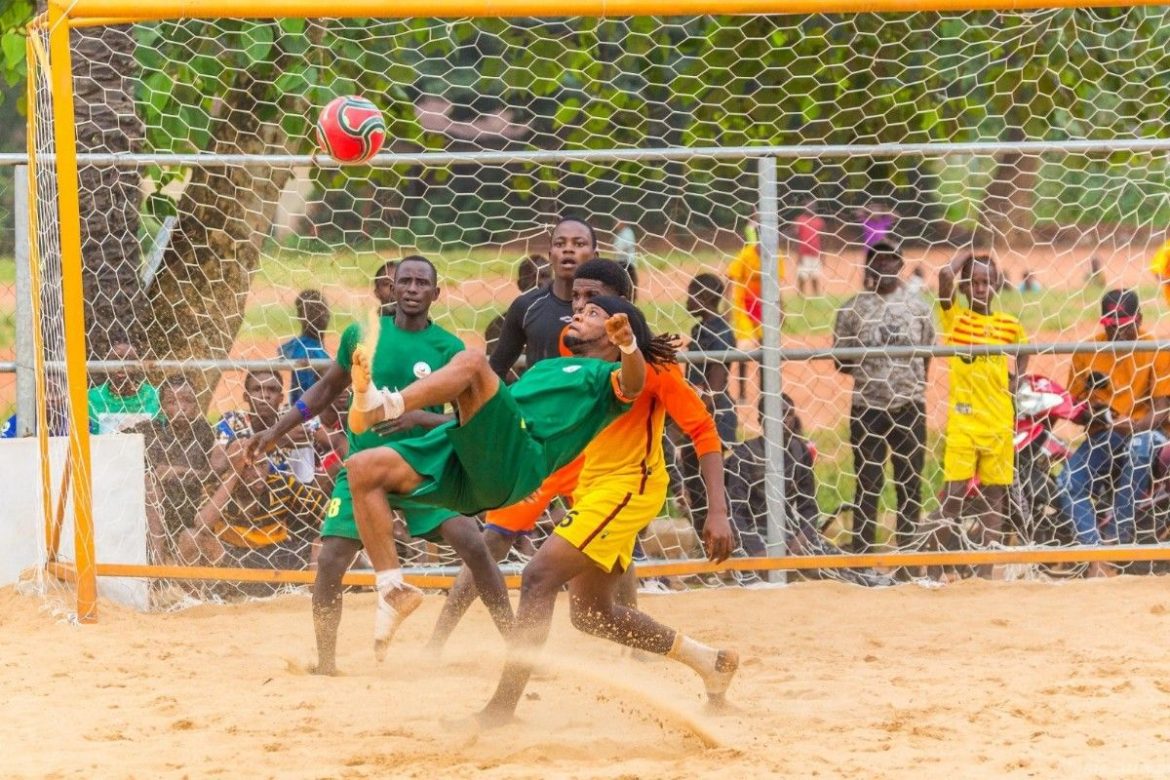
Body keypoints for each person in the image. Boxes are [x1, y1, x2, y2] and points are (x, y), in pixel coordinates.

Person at [426, 312, 737, 729]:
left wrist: (718, 511)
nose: (574, 309)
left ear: (615, 322)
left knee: (537, 576)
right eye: (575, 302)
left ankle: (500, 710)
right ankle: (709, 662)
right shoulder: (569, 363)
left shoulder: (652, 369)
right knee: (591, 613)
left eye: (590, 304)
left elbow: (702, 429)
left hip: (628, 487)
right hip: (583, 480)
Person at [247, 256, 513, 675]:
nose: (409, 288)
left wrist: (420, 418)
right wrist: (276, 431)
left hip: (422, 468)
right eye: (402, 280)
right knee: (332, 560)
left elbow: (470, 418)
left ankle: (517, 649)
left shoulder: (449, 350)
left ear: (435, 294)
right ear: (389, 288)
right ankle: (327, 664)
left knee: (474, 545)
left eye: (420, 282)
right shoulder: (362, 334)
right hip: (363, 471)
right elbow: (324, 390)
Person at [344, 296, 651, 660]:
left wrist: (629, 345)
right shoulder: (546, 368)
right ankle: (391, 590)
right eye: (580, 310)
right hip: (477, 457)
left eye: (592, 313)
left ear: (613, 333)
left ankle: (382, 405)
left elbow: (634, 383)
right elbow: (486, 412)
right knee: (362, 468)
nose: (580, 314)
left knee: (473, 360)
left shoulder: (606, 379)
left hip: (520, 457)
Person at [832, 242, 935, 558]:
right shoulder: (853, 309)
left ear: (901, 264)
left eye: (892, 261)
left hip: (909, 405)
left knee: (909, 484)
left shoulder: (918, 307)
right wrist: (874, 369)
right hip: (867, 408)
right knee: (868, 483)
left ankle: (907, 557)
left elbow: (928, 352)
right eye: (879, 261)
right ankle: (864, 555)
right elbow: (841, 360)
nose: (886, 266)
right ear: (869, 267)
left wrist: (909, 382)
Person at [934, 252, 1028, 577]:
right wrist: (968, 256)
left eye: (986, 281)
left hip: (998, 421)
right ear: (964, 286)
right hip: (963, 422)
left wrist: (1017, 383)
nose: (980, 287)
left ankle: (986, 571)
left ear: (995, 285)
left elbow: (1023, 354)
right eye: (973, 282)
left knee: (994, 497)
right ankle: (939, 568)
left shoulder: (1009, 326)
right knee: (954, 494)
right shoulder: (956, 318)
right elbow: (944, 275)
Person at [1057, 290, 1170, 558]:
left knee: (1140, 446)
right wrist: (1095, 414)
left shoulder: (1155, 349)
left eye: (1124, 325)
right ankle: (1094, 554)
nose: (1117, 334)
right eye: (1110, 326)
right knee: (1068, 481)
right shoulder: (1087, 352)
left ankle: (1117, 539)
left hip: (1147, 433)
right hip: (1105, 435)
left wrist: (1131, 426)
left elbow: (1162, 409)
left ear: (1139, 319)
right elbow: (1075, 406)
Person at [192, 438, 328, 573]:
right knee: (189, 537)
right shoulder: (216, 489)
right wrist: (234, 475)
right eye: (248, 467)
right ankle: (196, 594)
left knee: (323, 542)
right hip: (232, 559)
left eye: (262, 465)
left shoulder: (282, 485)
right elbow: (202, 525)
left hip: (278, 557)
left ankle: (314, 593)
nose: (258, 474)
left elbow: (326, 512)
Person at [489, 218, 597, 378]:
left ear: (595, 256)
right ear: (550, 255)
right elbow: (496, 371)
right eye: (560, 244)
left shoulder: (610, 308)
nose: (568, 249)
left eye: (579, 244)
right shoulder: (525, 306)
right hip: (540, 402)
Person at [676, 273, 738, 533]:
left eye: (691, 293)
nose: (687, 299)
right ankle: (706, 550)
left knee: (710, 488)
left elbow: (716, 383)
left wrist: (691, 416)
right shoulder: (699, 330)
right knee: (694, 486)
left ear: (703, 297)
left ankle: (721, 548)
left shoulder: (721, 333)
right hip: (697, 414)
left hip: (713, 418)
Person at [134, 375, 217, 565]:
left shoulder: (205, 431)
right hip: (154, 510)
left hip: (193, 506)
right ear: (162, 407)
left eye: (187, 400)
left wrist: (175, 471)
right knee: (150, 485)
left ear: (196, 404)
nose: (181, 407)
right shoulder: (147, 430)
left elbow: (212, 474)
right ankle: (157, 562)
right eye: (172, 402)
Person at [215, 369, 316, 484]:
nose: (265, 395)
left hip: (283, 494)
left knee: (304, 437)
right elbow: (216, 465)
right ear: (246, 397)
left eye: (272, 390)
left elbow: (312, 425)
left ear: (281, 398)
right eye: (257, 389)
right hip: (240, 492)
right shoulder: (232, 420)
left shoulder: (290, 419)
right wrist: (277, 441)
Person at [484, 253, 550, 360]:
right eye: (532, 277)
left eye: (544, 276)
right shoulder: (499, 326)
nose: (539, 282)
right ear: (520, 284)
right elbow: (496, 371)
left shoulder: (564, 318)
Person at [87, 339, 160, 434]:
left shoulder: (155, 396)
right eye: (115, 360)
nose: (122, 365)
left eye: (129, 360)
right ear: (105, 363)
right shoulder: (90, 398)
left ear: (139, 364)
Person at [279, 290, 331, 405]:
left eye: (323, 310)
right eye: (312, 312)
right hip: (307, 413)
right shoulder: (308, 351)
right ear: (300, 317)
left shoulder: (296, 345)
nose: (320, 316)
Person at [792, 200, 826, 297]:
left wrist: (823, 255)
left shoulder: (819, 221)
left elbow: (823, 239)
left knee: (815, 275)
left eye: (812, 207)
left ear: (815, 208)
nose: (810, 208)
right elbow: (796, 238)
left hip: (815, 253)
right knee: (802, 275)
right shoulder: (799, 220)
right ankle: (801, 295)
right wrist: (797, 254)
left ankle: (816, 295)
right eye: (808, 206)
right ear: (804, 208)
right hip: (803, 253)